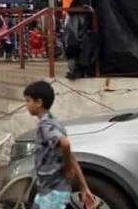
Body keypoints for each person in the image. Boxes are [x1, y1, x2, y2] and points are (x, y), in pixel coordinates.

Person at [23, 81, 94, 209]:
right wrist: (84, 187)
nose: (26, 105)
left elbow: (65, 144)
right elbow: (70, 156)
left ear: (39, 102)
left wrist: (67, 168)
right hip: (52, 190)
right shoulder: (55, 122)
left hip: (52, 192)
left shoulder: (45, 125)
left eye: (28, 101)